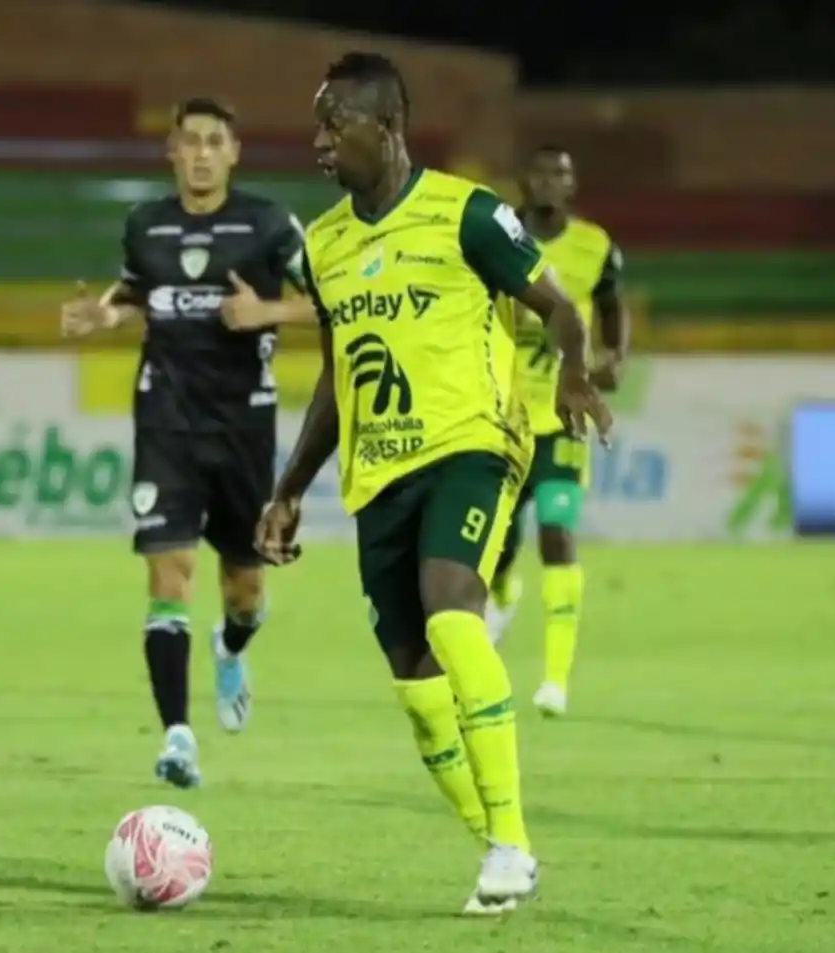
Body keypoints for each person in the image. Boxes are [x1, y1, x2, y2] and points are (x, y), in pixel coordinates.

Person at [255, 52, 611, 915]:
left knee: (454, 611)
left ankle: (513, 842)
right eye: (318, 124)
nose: (319, 142)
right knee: (417, 692)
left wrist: (571, 375)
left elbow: (559, 304)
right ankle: (498, 844)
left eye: (335, 124)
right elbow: (340, 374)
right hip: (378, 477)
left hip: (474, 446)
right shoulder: (326, 245)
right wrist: (290, 483)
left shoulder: (469, 215)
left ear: (389, 126)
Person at [60, 98, 306, 789]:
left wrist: (267, 310)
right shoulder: (147, 223)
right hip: (165, 423)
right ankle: (177, 737)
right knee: (169, 577)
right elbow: (139, 291)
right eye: (188, 141)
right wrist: (104, 314)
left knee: (244, 589)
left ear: (234, 152)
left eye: (213, 142)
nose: (200, 153)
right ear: (171, 151)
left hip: (243, 431)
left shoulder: (268, 224)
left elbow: (334, 300)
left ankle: (230, 646)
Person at [484, 145, 630, 718]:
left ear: (571, 184)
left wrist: (617, 356)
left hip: (563, 420)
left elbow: (614, 305)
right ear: (524, 180)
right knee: (497, 551)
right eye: (540, 172)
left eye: (560, 174)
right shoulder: (496, 236)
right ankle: (502, 596)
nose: (549, 182)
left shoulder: (595, 246)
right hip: (501, 419)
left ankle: (555, 680)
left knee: (557, 534)